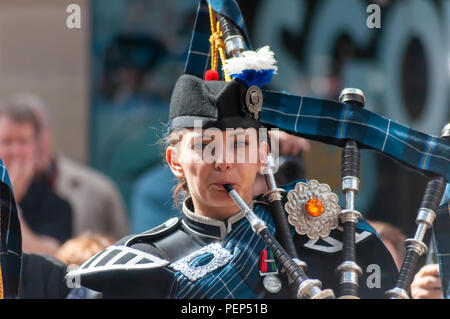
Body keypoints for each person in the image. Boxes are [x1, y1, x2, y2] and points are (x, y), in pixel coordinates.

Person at [67, 70, 398, 298]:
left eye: (239, 145)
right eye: (204, 145)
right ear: (174, 161)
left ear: (262, 157)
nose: (223, 161)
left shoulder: (327, 243)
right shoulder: (142, 264)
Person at [16, 93, 129, 240]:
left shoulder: (98, 191)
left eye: (37, 131)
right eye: (15, 139)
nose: (32, 143)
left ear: (49, 131)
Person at [0, 96, 73, 254]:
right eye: (7, 142)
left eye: (23, 142)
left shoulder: (56, 206)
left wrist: (10, 204)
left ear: (36, 147)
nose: (15, 151)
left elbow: (51, 256)